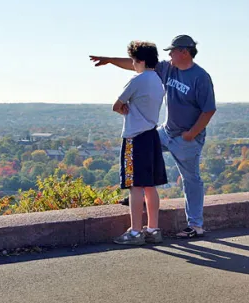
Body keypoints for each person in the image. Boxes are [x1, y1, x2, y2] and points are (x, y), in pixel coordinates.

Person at [90, 34, 216, 238]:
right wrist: (111, 60)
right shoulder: (169, 68)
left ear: (184, 52)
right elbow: (140, 65)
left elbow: (209, 110)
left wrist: (191, 134)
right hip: (166, 132)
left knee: (191, 179)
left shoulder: (200, 77)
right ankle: (137, 196)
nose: (169, 55)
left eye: (172, 51)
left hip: (187, 138)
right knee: (142, 150)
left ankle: (195, 225)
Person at [109, 40, 168, 246]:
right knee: (150, 186)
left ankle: (135, 232)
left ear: (140, 61)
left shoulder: (138, 80)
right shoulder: (157, 81)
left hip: (135, 137)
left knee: (135, 186)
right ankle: (153, 229)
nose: (133, 64)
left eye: (134, 61)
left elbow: (116, 105)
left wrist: (124, 108)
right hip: (151, 135)